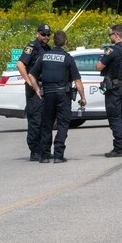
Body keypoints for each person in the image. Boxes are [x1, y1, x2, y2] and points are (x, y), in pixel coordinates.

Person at [27, 30, 86, 163]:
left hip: (47, 94)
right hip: (63, 95)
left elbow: (31, 75)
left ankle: (45, 156)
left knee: (46, 125)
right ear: (65, 42)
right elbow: (77, 81)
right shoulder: (68, 58)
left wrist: (37, 89)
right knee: (63, 124)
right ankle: (58, 155)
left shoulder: (44, 56)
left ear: (53, 41)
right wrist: (83, 97)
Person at [97, 23, 122, 157]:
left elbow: (99, 66)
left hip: (114, 88)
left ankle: (120, 149)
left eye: (110, 34)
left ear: (116, 35)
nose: (110, 37)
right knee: (120, 118)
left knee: (114, 118)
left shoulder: (112, 50)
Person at [17, 23, 51, 161]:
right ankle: (35, 150)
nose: (46, 37)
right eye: (43, 34)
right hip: (34, 87)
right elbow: (20, 64)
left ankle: (44, 150)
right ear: (37, 34)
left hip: (45, 87)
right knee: (35, 119)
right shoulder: (32, 47)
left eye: (48, 35)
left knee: (45, 120)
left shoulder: (47, 48)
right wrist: (30, 82)